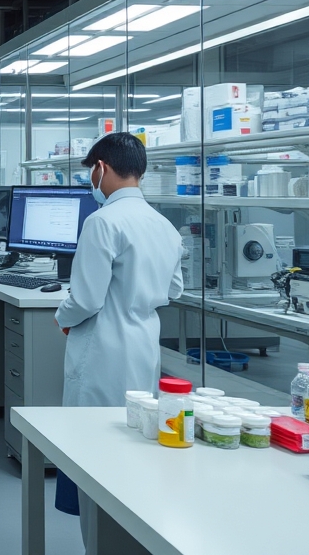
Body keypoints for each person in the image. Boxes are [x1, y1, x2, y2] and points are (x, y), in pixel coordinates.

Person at [55, 132, 183, 545]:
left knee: (93, 456)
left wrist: (63, 316)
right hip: (144, 347)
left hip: (102, 350)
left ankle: (97, 543)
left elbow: (87, 299)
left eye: (90, 172)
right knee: (133, 450)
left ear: (101, 169)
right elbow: (174, 290)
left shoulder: (103, 221)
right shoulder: (164, 225)